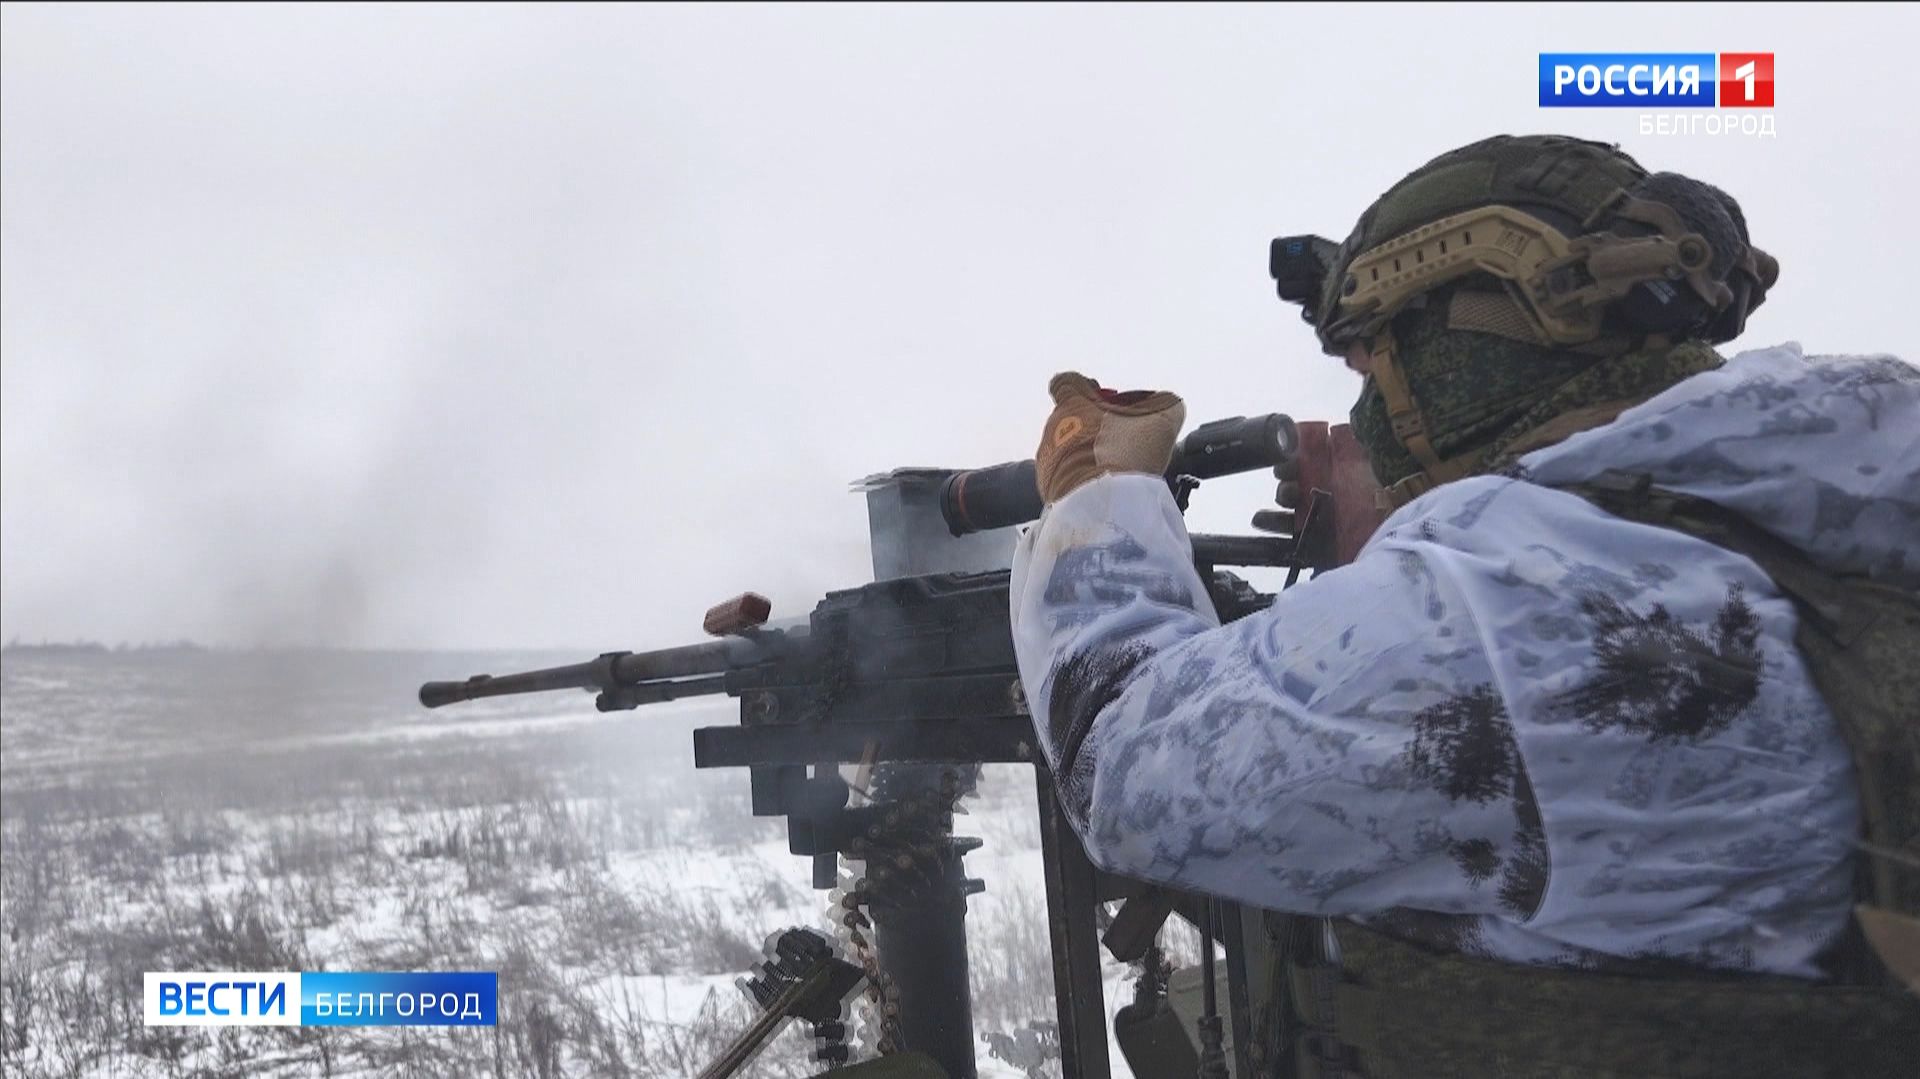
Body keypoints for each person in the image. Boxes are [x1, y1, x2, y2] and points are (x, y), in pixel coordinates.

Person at [1008, 134, 1920, 1077]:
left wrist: (1096, 491)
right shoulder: (1839, 500)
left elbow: (1124, 766)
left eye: (1375, 374)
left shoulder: (1524, 614)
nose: (1365, 419)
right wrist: (1408, 550)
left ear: (1462, 356)